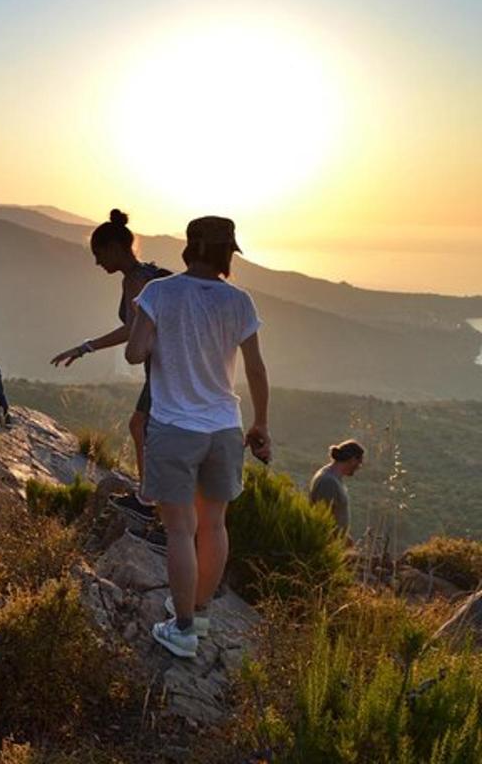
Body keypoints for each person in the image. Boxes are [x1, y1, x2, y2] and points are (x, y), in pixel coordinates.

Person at [126, 216, 271, 659]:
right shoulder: (239, 301)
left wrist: (154, 336)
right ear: (227, 254)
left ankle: (183, 627)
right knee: (213, 525)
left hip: (175, 426)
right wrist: (260, 424)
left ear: (190, 248)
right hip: (225, 427)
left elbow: (134, 354)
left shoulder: (159, 293)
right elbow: (256, 369)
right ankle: (199, 610)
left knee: (179, 531)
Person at [51, 209, 170, 520]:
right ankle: (156, 497)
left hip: (163, 370)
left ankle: (149, 500)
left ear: (115, 248)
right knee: (150, 427)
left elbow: (133, 329)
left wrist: (85, 347)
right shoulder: (151, 273)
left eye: (98, 253)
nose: (97, 262)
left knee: (141, 425)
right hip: (173, 367)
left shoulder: (134, 280)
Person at [310, 440, 363, 536]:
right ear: (352, 459)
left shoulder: (333, 478)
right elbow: (323, 518)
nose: (359, 467)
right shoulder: (328, 482)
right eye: (359, 463)